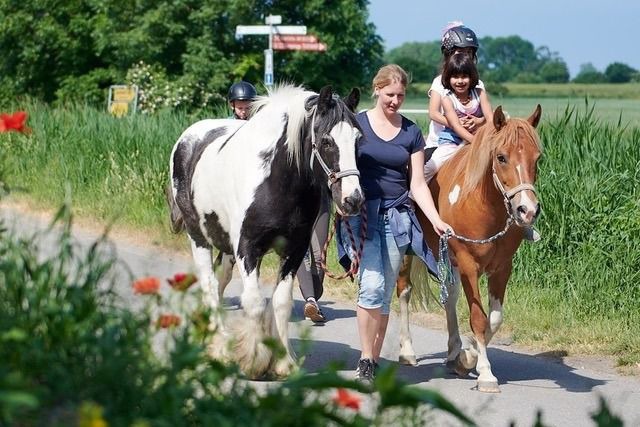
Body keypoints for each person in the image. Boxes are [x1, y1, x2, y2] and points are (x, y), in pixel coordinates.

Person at [339, 64, 452, 383]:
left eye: (400, 95)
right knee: (371, 286)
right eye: (390, 94)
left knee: (384, 290)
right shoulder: (357, 125)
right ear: (376, 90)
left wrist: (435, 219)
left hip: (398, 218)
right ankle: (364, 357)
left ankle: (372, 362)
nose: (395, 100)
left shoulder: (411, 133)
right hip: (362, 216)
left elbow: (417, 183)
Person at [424, 22, 485, 179]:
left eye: (469, 52)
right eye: (460, 52)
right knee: (425, 169)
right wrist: (455, 122)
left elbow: (487, 115)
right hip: (441, 142)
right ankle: (412, 198)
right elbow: (433, 113)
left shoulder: (478, 85)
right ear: (448, 53)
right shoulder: (439, 82)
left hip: (472, 141)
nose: (464, 56)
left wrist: (478, 121)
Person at [297, 197, 330, 324]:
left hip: (320, 198)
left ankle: (312, 303)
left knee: (320, 254)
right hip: (296, 197)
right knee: (301, 253)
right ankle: (310, 299)